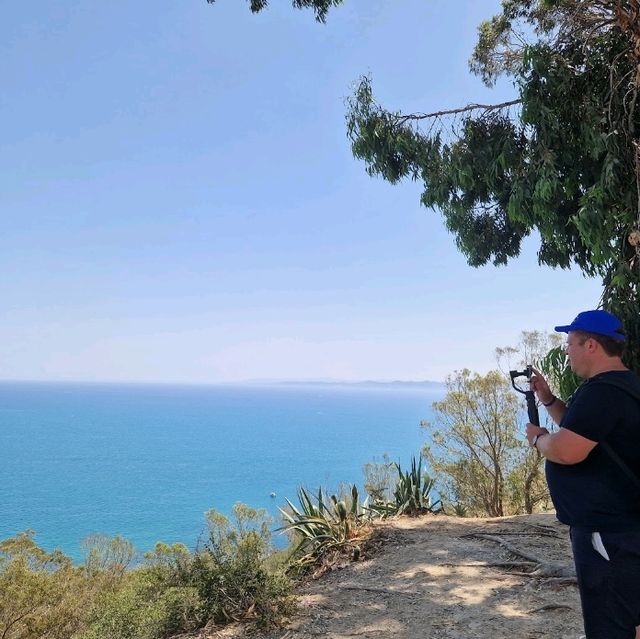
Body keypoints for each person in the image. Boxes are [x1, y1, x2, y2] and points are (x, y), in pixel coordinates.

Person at [525, 309, 640, 639]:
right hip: (624, 528)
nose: (566, 351)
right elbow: (582, 429)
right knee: (630, 615)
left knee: (610, 623)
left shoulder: (603, 393)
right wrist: (547, 399)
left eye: (569, 344)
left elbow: (567, 450)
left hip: (607, 533)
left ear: (591, 345)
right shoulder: (621, 385)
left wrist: (538, 439)